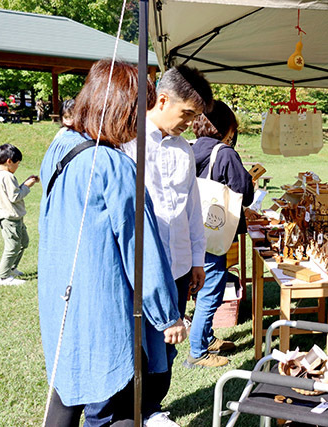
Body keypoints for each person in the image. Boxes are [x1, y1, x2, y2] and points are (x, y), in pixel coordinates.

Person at [38, 59, 187, 426]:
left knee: (66, 395)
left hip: (61, 297)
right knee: (114, 406)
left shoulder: (59, 146)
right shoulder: (114, 165)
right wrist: (167, 315)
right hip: (103, 306)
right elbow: (142, 248)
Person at [122, 64, 213, 426]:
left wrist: (196, 260)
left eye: (195, 116)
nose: (190, 122)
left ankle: (152, 408)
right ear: (162, 99)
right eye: (187, 113)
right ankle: (131, 411)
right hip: (140, 268)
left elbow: (193, 209)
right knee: (139, 347)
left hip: (176, 266)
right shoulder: (129, 143)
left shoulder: (184, 150)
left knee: (169, 346)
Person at [185, 100, 254, 368]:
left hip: (190, 229)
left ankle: (206, 337)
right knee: (211, 289)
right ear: (227, 127)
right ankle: (198, 352)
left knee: (203, 285)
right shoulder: (225, 153)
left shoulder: (189, 147)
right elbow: (244, 193)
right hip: (213, 233)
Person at [0, 144, 39, 286]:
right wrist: (27, 186)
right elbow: (15, 196)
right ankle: (3, 277)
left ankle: (11, 268)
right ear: (9, 161)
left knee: (23, 242)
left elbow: (12, 193)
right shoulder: (7, 176)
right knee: (12, 246)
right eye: (17, 163)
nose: (18, 166)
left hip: (15, 218)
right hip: (9, 219)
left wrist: (24, 183)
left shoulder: (0, 174)